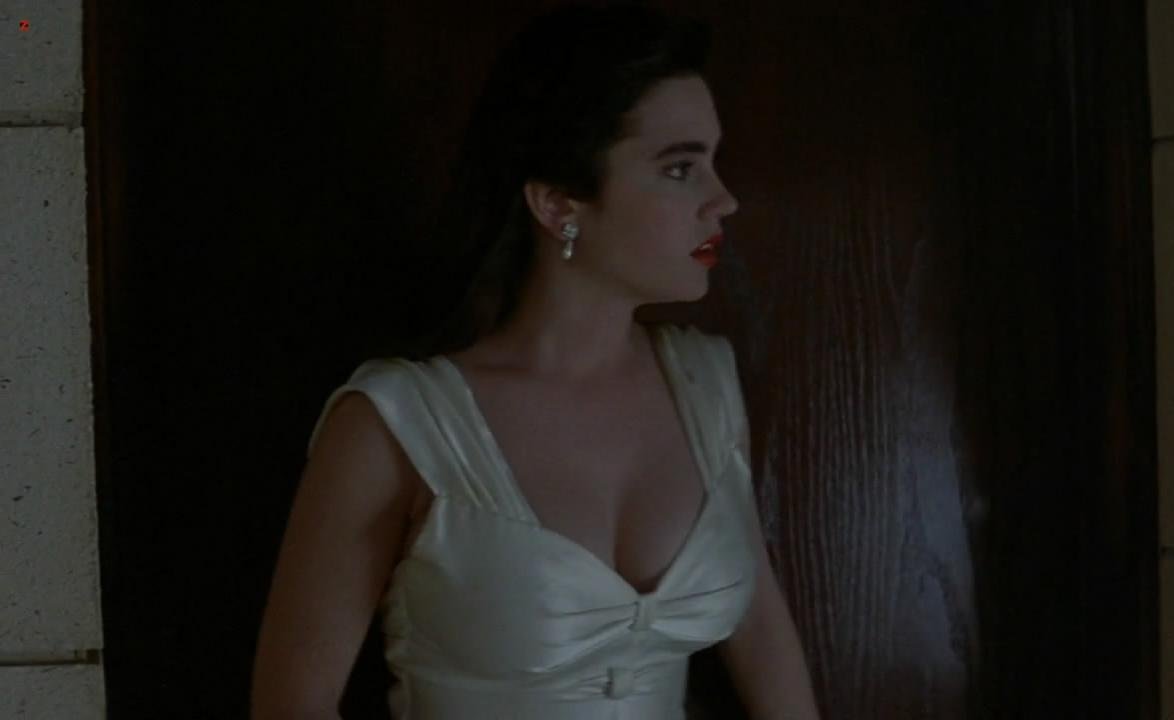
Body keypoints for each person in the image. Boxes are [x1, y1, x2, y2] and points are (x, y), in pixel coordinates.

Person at [251, 3, 819, 718]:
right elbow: (291, 706)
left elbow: (766, 642)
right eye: (680, 168)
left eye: (713, 161)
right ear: (557, 204)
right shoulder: (396, 423)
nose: (723, 200)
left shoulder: (706, 389)